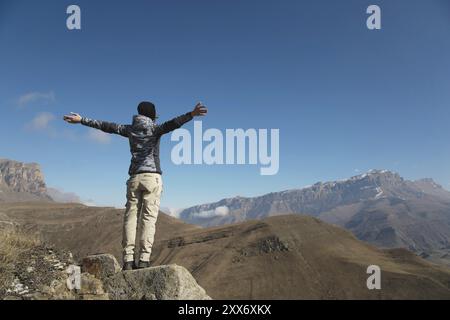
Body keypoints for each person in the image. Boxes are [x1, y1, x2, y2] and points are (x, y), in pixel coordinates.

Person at [63, 101, 207, 270]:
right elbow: (173, 123)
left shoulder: (129, 129)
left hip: (134, 179)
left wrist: (81, 120)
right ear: (152, 114)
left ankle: (128, 261)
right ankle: (144, 259)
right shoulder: (155, 128)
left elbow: (106, 126)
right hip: (152, 178)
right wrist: (191, 114)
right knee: (148, 219)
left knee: (130, 218)